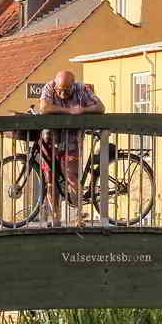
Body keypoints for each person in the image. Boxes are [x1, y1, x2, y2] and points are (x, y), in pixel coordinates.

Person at [38, 70, 104, 224]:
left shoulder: (82, 89)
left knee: (72, 178)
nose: (62, 94)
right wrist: (68, 111)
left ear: (73, 86)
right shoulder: (49, 87)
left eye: (66, 91)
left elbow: (100, 107)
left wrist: (83, 110)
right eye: (59, 90)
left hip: (71, 140)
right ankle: (55, 217)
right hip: (50, 139)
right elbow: (44, 108)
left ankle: (78, 216)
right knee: (50, 179)